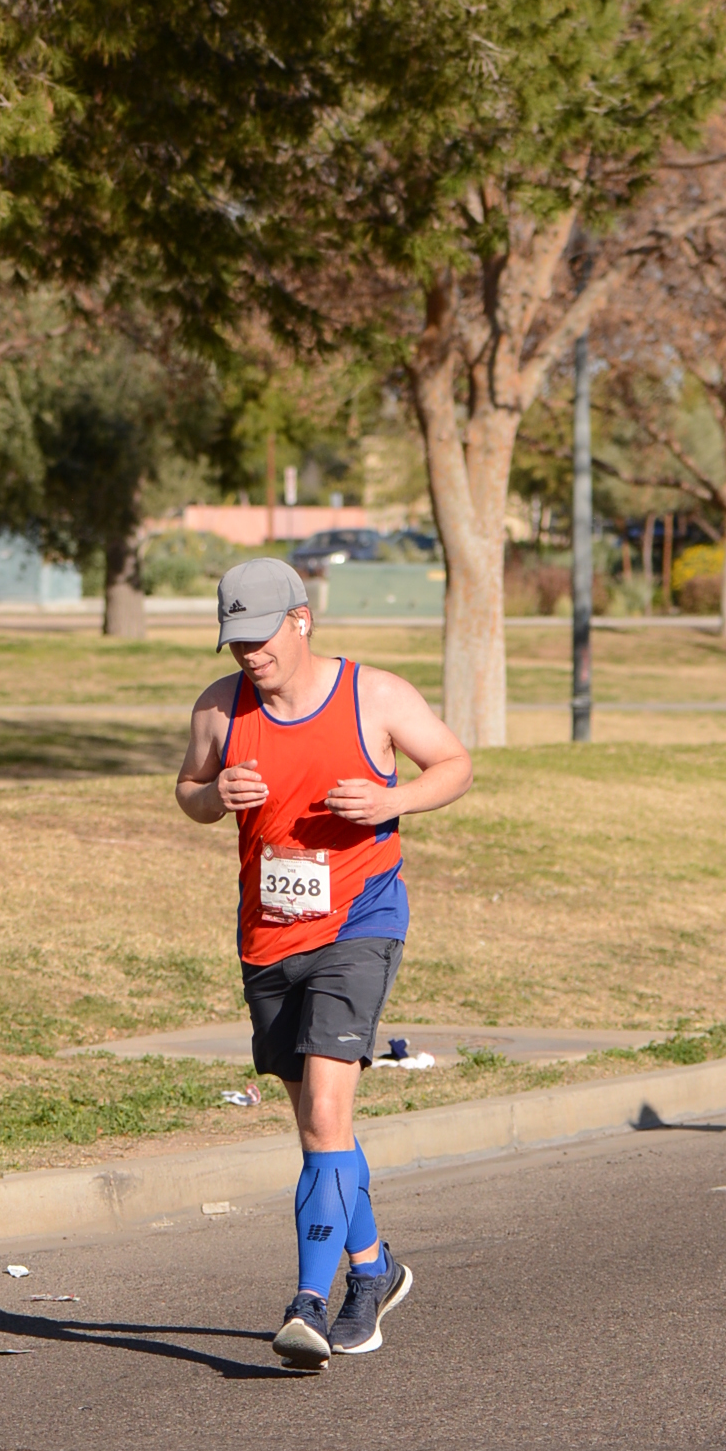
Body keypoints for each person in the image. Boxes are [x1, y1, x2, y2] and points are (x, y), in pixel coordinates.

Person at [176, 557, 473, 1369]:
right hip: (269, 934)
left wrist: (392, 801)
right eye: (236, 641)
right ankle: (374, 1268)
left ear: (301, 621)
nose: (250, 654)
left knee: (324, 1116)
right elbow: (188, 789)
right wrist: (214, 798)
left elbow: (454, 765)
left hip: (360, 923)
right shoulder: (219, 708)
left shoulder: (373, 696)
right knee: (319, 1126)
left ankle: (311, 1303)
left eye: (261, 637)